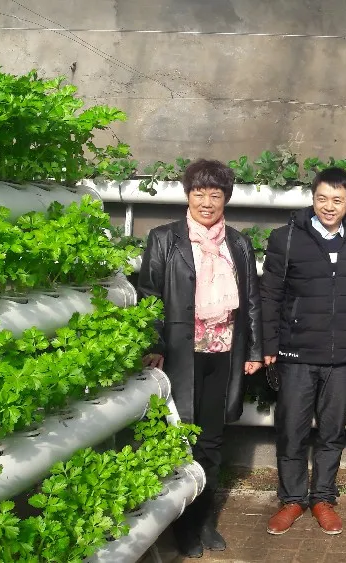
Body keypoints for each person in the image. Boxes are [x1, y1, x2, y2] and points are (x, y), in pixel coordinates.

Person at [138, 159, 264, 558]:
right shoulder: (164, 238)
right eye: (199, 193)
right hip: (179, 355)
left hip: (223, 353)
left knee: (211, 441)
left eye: (215, 194)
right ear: (187, 195)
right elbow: (149, 296)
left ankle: (204, 518)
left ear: (226, 198)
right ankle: (182, 524)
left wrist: (255, 350)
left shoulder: (238, 244)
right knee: (179, 439)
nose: (206, 202)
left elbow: (252, 300)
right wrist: (154, 344)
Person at [261, 167, 346, 535]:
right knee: (291, 430)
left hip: (344, 357)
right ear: (313, 198)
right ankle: (293, 499)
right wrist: (269, 344)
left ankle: (323, 498)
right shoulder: (286, 238)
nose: (329, 206)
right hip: (296, 353)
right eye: (322, 198)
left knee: (331, 432)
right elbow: (270, 295)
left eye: (337, 200)